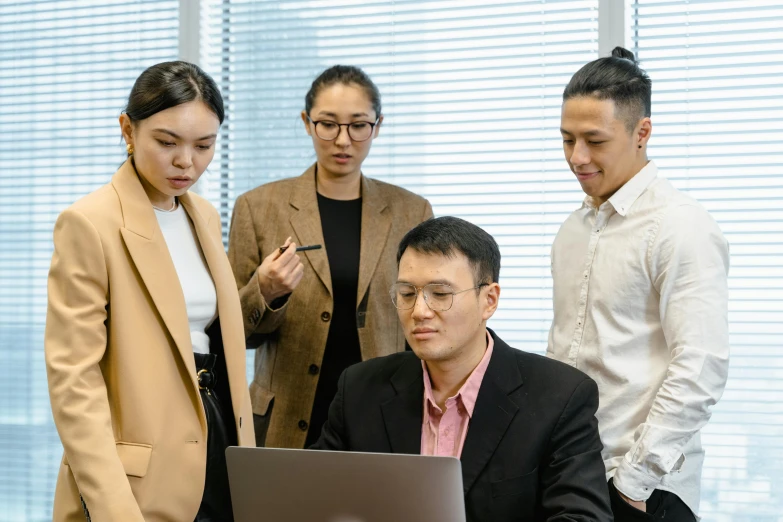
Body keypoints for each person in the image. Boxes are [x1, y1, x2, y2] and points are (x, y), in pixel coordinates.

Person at [45, 61, 253, 522]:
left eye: (204, 145)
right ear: (127, 129)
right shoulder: (90, 223)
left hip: (219, 440)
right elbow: (74, 381)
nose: (187, 162)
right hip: (141, 474)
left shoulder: (203, 214)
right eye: (167, 142)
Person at [312, 216, 613, 522]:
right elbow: (314, 497)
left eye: (440, 295)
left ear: (489, 300)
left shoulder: (559, 396)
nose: (419, 312)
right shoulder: (360, 388)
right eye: (406, 294)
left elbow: (582, 517)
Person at [549, 47, 730, 521]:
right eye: (566, 139)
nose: (576, 157)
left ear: (642, 132)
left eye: (594, 140)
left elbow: (701, 365)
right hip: (571, 476)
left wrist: (634, 480)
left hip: (643, 491)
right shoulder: (572, 229)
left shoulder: (681, 226)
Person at [228, 64, 433, 449]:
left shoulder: (411, 211)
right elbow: (231, 331)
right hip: (286, 414)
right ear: (307, 123)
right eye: (328, 124)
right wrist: (266, 291)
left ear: (378, 125)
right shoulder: (258, 207)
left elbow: (421, 319)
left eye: (358, 125)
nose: (343, 140)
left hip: (384, 410)